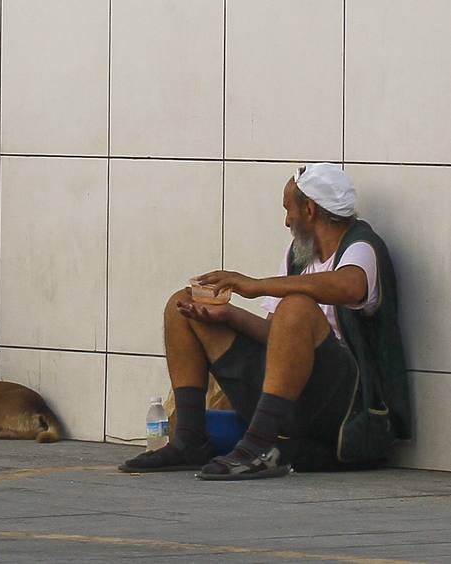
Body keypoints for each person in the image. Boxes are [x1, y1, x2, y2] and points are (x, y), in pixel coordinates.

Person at [120, 164, 411, 479]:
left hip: (345, 403)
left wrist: (256, 285)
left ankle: (261, 446)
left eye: (289, 210)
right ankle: (190, 439)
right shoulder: (299, 253)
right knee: (184, 303)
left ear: (310, 209)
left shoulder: (362, 246)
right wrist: (227, 315)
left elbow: (348, 286)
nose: (286, 220)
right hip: (292, 392)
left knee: (298, 306)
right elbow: (276, 334)